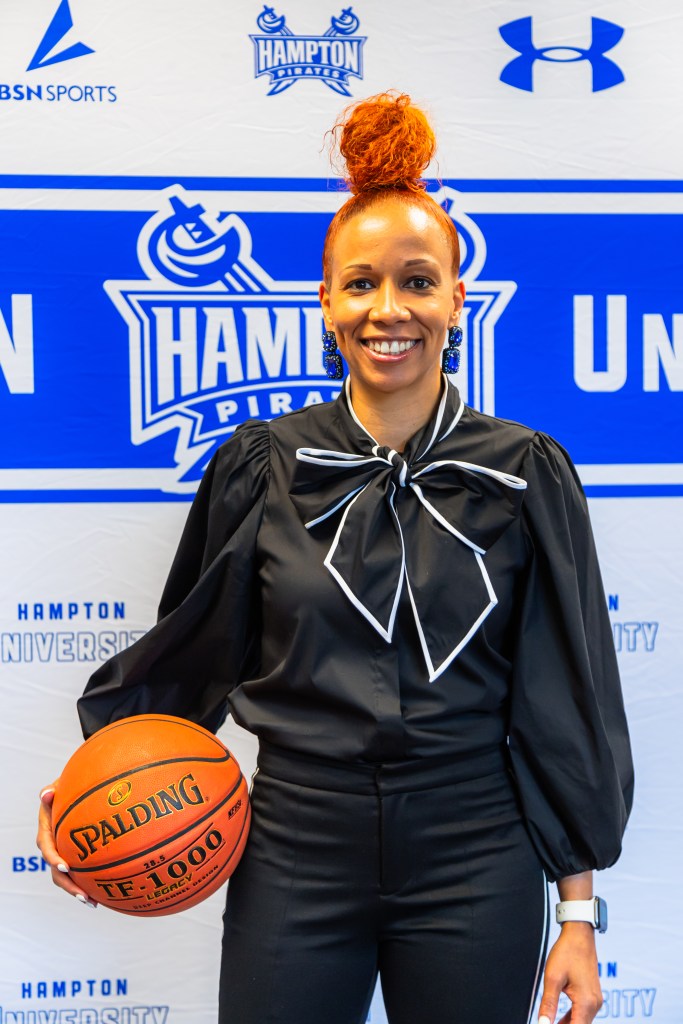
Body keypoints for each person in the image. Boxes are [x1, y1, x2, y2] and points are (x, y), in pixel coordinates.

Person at [37, 91, 633, 1024]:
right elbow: (188, 655)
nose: (386, 309)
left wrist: (578, 914)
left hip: (475, 854)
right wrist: (87, 791)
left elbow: (564, 698)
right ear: (324, 302)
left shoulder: (524, 474)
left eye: (415, 280)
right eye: (359, 283)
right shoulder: (261, 468)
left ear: (455, 300)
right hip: (294, 854)